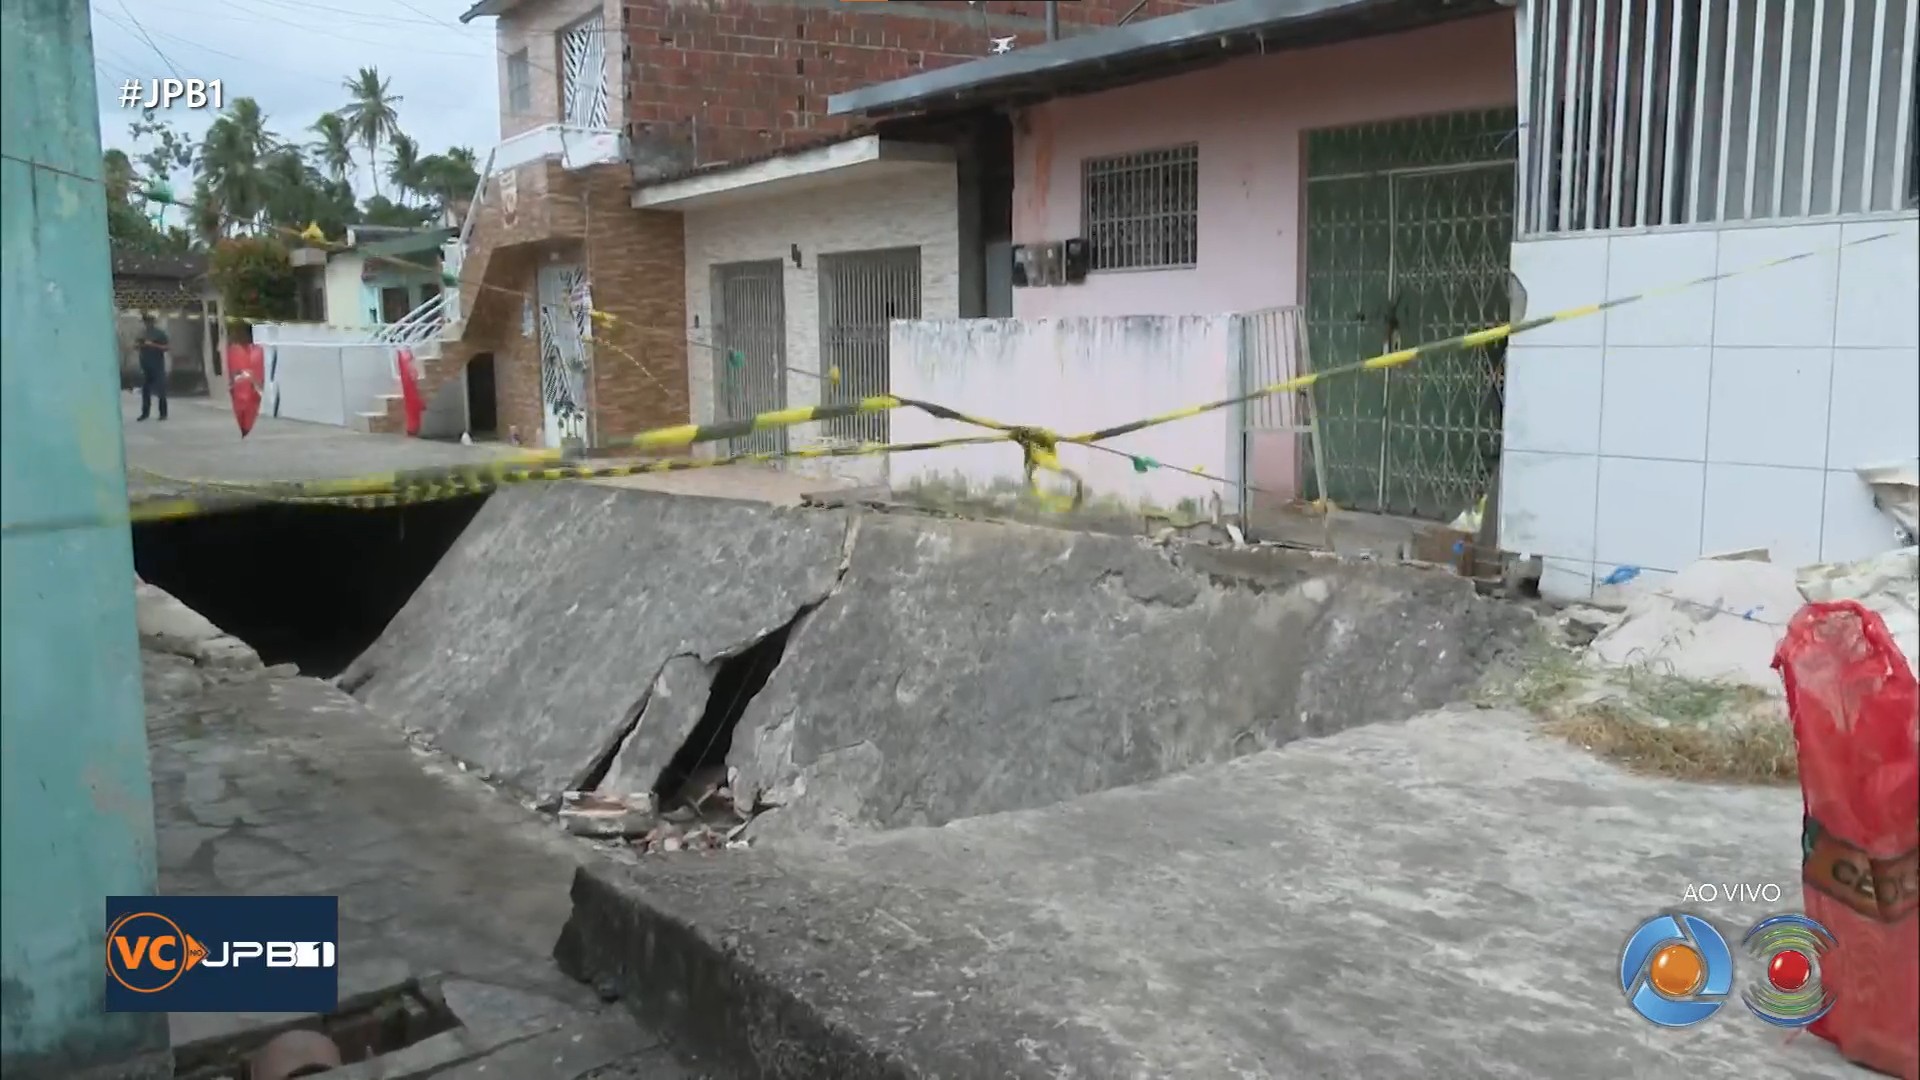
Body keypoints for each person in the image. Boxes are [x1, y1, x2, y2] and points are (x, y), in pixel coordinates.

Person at [134, 312, 170, 421]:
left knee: (161, 390)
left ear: (153, 322)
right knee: (145, 390)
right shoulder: (141, 333)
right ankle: (145, 413)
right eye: (145, 321)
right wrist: (140, 345)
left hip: (157, 365)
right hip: (145, 364)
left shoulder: (159, 334)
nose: (147, 323)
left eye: (148, 321)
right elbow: (135, 346)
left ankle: (163, 413)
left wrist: (153, 345)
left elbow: (166, 347)